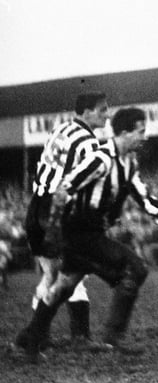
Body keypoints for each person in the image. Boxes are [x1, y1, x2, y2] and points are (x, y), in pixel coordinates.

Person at [15, 107, 158, 362]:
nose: (144, 137)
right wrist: (53, 229)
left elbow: (143, 198)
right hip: (79, 233)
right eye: (141, 132)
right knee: (136, 268)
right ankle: (113, 337)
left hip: (90, 233)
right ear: (124, 132)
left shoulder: (129, 163)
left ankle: (31, 340)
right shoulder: (101, 159)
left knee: (63, 286)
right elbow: (65, 189)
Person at [23, 92, 110, 349]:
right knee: (74, 273)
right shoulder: (89, 142)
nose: (106, 115)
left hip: (36, 206)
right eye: (102, 110)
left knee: (50, 274)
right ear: (86, 112)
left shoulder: (59, 129)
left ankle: (35, 335)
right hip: (56, 210)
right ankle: (79, 337)